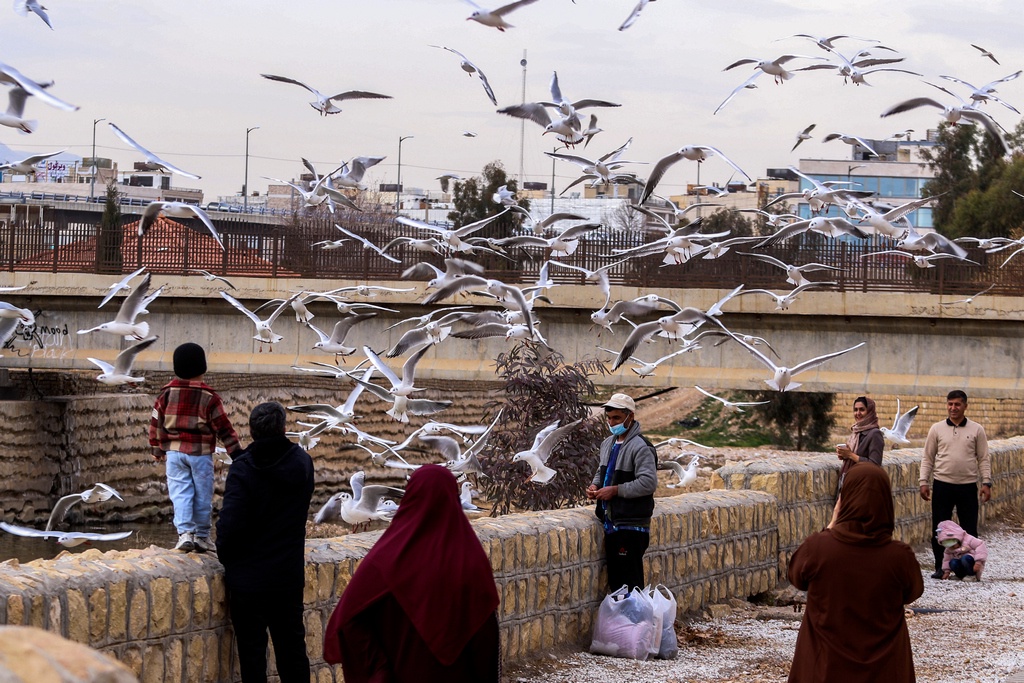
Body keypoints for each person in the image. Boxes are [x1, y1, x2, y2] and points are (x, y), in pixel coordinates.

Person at [323, 465, 500, 682]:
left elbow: (350, 619)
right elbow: (486, 639)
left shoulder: (386, 557)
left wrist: (379, 670)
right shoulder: (470, 560)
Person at [788, 463, 924, 683]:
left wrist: (832, 526)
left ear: (845, 499)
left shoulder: (818, 549)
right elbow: (913, 592)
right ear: (885, 502)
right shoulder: (899, 557)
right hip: (884, 671)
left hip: (824, 669)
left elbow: (796, 576)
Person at [215, 402, 314, 683]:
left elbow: (230, 524)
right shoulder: (302, 463)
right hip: (287, 576)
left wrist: (227, 558)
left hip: (248, 580)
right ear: (283, 428)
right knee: (293, 651)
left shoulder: (244, 468)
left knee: (252, 654)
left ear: (252, 431)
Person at [149, 342, 241, 552]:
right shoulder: (210, 398)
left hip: (174, 454)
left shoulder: (165, 395)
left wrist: (156, 448)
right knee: (202, 494)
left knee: (180, 492)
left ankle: (184, 534)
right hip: (200, 454)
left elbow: (156, 422)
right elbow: (224, 428)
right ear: (203, 368)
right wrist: (236, 452)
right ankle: (201, 536)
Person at [586, 392, 658, 592]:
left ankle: (635, 622)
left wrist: (615, 491)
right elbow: (602, 472)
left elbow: (648, 482)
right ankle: (624, 622)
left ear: (630, 417)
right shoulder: (607, 444)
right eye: (609, 418)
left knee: (630, 583)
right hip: (611, 523)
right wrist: (595, 487)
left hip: (631, 525)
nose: (611, 422)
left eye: (616, 418)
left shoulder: (642, 447)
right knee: (618, 582)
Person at [919, 390, 991, 580]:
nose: (953, 408)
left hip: (967, 486)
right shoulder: (936, 429)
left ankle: (969, 569)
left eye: (957, 404)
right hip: (942, 485)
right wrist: (923, 482)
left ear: (965, 406)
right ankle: (940, 568)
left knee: (969, 528)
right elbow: (928, 458)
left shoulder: (977, 430)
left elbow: (983, 458)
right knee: (940, 529)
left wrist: (986, 483)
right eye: (950, 404)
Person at [829, 396, 884, 527]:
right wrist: (845, 455)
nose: (857, 413)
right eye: (855, 410)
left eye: (862, 410)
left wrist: (851, 455)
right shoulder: (856, 431)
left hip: (863, 488)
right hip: (849, 482)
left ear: (869, 411)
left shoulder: (875, 434)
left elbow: (875, 465)